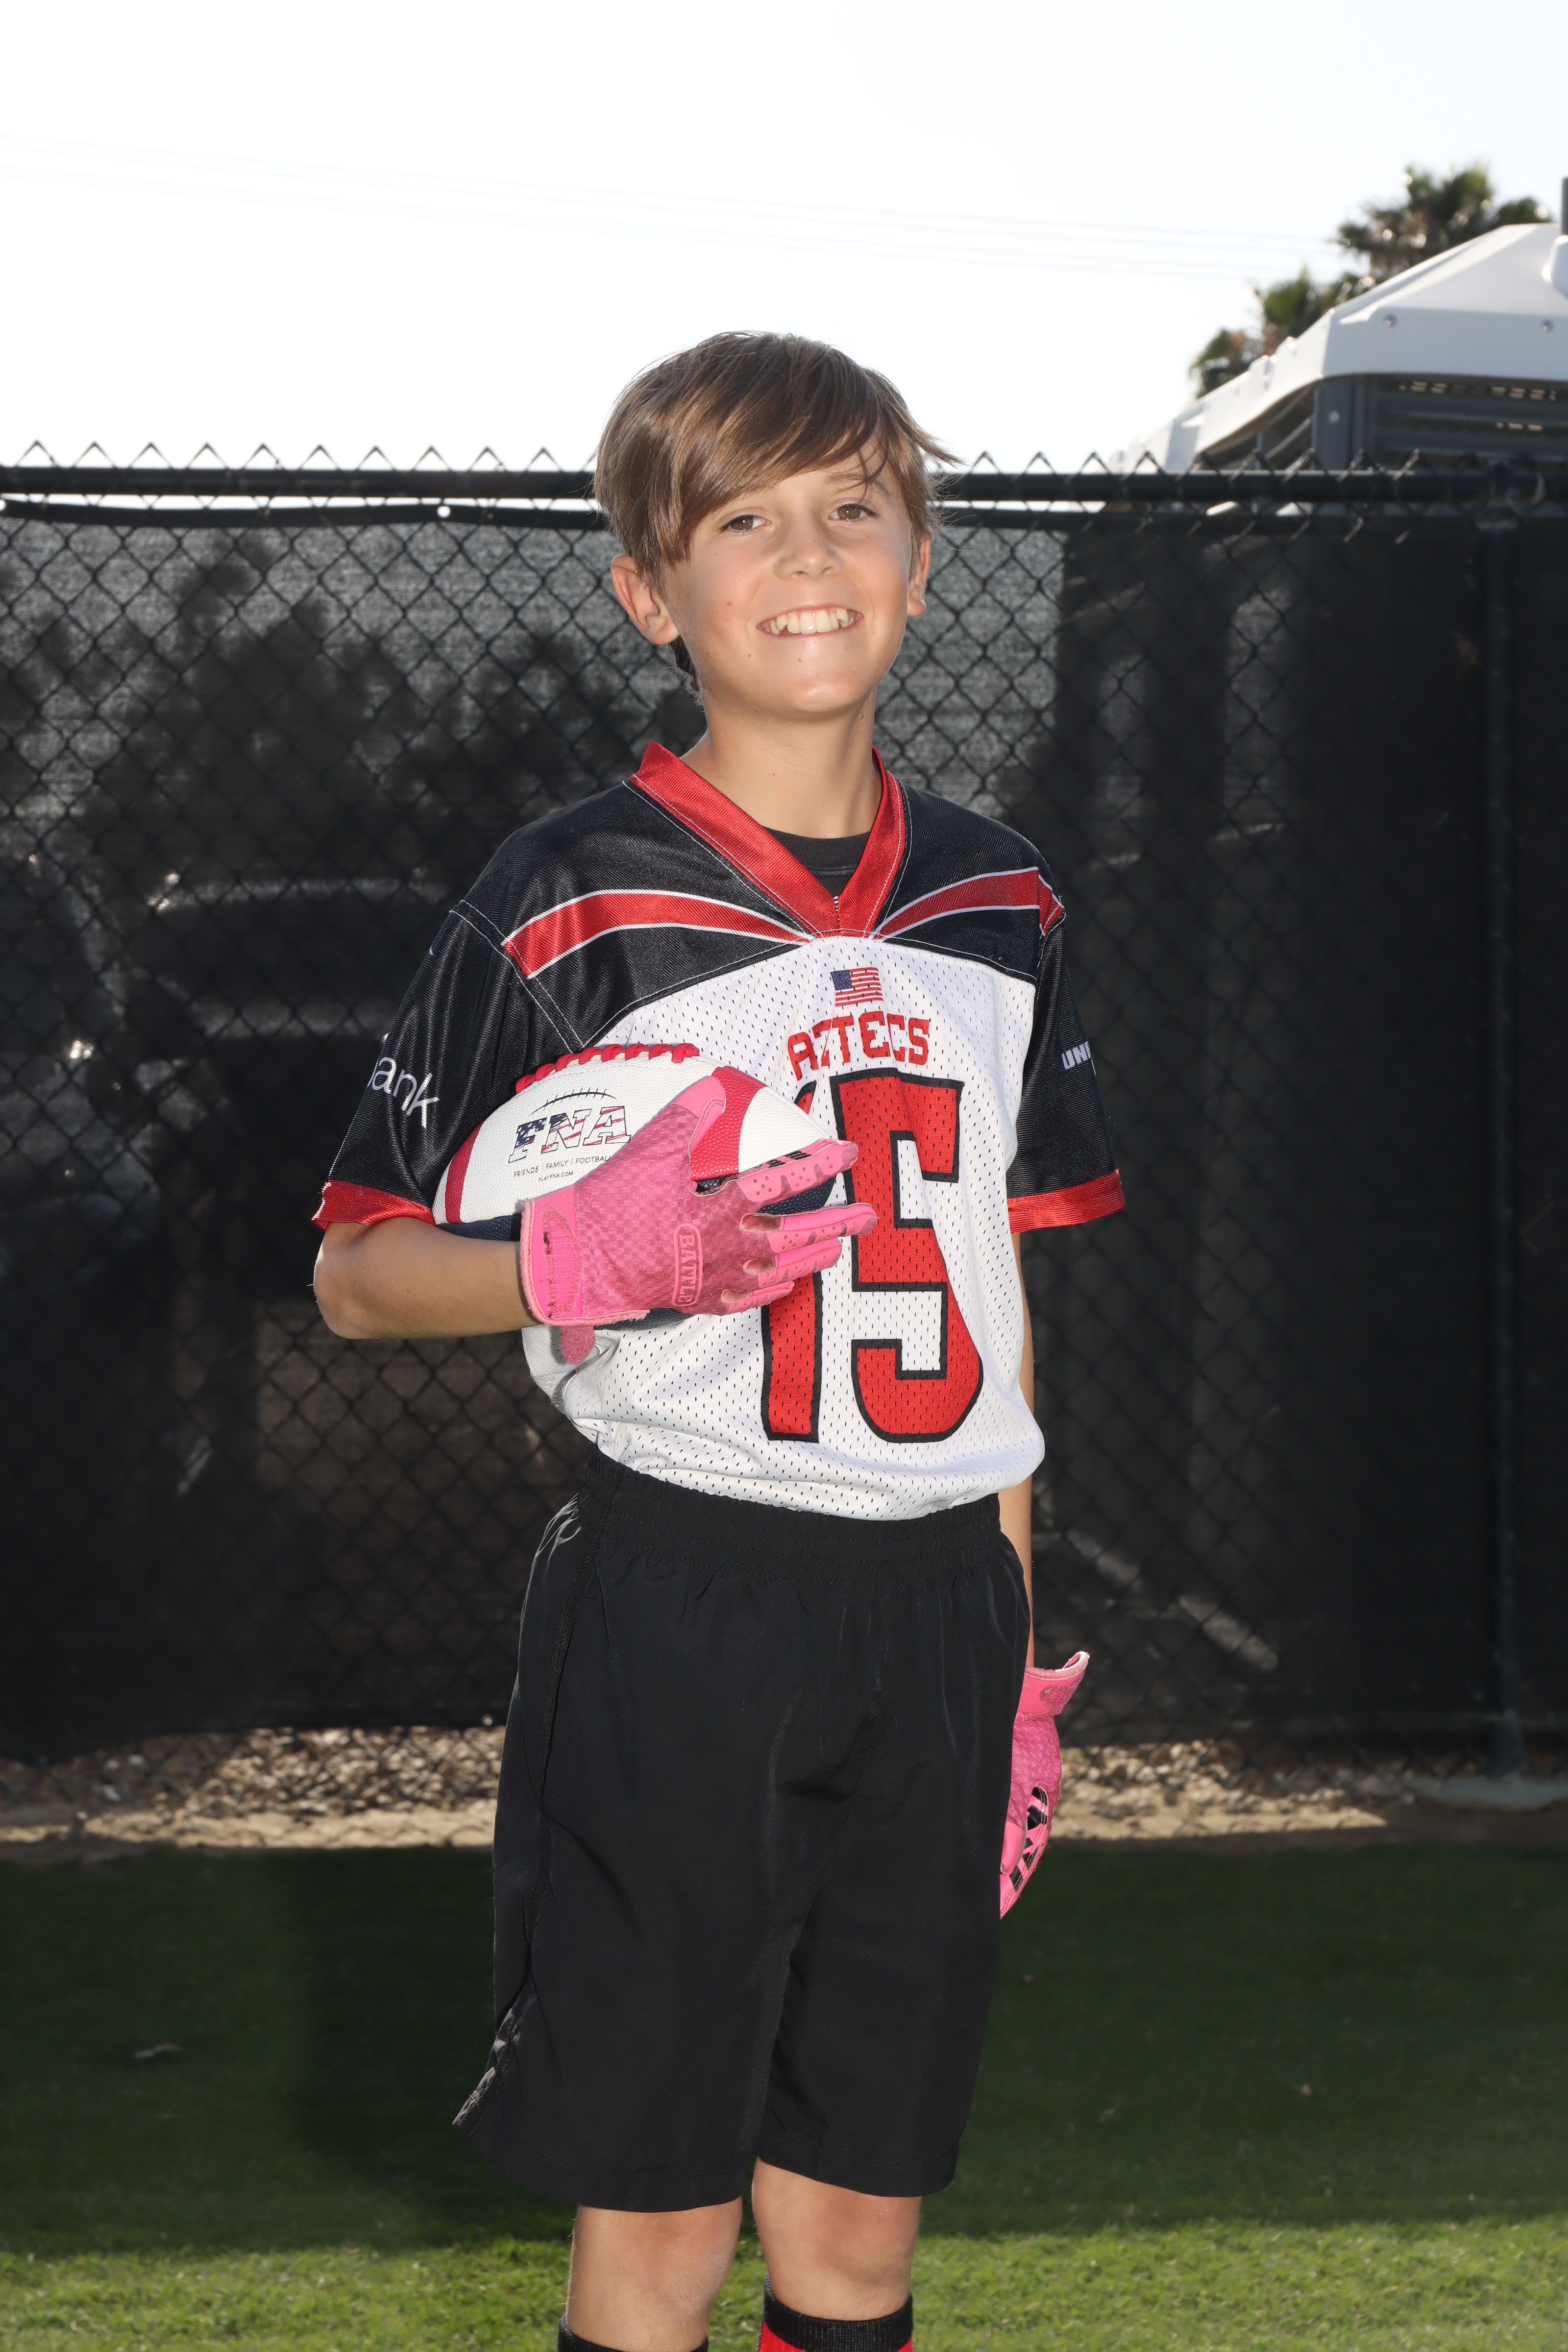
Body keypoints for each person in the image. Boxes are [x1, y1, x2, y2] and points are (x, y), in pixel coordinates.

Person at [312, 332, 1124, 2352]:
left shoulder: (1001, 897)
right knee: (661, 2233)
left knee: (856, 2232)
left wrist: (1015, 1661)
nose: (810, 554)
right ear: (649, 590)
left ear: (921, 562)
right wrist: (576, 1255)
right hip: (686, 1593)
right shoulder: (568, 894)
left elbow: (996, 1312)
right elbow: (357, 1271)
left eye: (856, 506)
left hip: (940, 1608)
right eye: (743, 517)